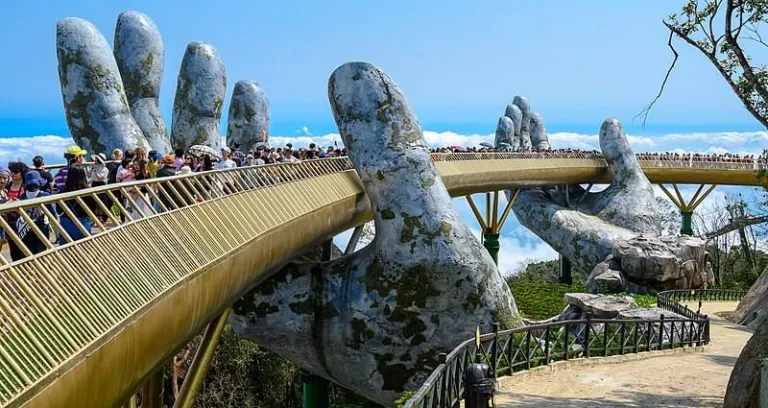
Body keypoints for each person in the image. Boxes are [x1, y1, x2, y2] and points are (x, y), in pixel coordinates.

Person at [12, 172, 52, 260]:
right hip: (42, 228)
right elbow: (52, 213)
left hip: (26, 231)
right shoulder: (45, 196)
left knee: (28, 256)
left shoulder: (21, 198)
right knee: (41, 255)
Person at [59, 147, 92, 243]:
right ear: (77, 157)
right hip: (81, 215)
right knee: (84, 243)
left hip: (66, 214)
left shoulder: (62, 172)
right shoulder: (80, 170)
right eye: (82, 156)